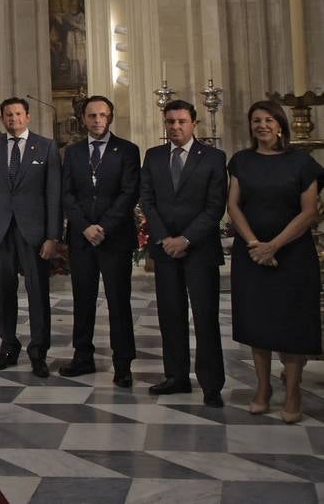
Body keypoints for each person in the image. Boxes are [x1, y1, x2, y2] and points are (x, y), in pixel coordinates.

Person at [226, 100, 322, 422]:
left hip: (293, 254)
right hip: (251, 253)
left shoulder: (302, 162)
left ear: (281, 125)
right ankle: (263, 387)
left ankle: (293, 392)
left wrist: (274, 246)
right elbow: (234, 206)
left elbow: (309, 212)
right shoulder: (241, 161)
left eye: (269, 120)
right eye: (256, 120)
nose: (262, 125)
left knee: (293, 323)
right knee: (257, 321)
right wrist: (255, 243)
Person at [140, 99, 227, 407]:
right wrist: (165, 238)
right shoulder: (154, 156)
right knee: (170, 315)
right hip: (166, 250)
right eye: (170, 122)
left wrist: (186, 239)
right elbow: (147, 200)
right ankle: (176, 376)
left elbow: (216, 206)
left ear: (194, 124)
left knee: (205, 318)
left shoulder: (214, 158)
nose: (175, 127)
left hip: (199, 249)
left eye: (181, 121)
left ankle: (211, 383)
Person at [0, 97, 61, 378]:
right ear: (2, 119)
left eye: (18, 114)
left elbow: (53, 195)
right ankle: (8, 347)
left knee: (38, 294)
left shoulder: (46, 147)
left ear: (28, 117)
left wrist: (52, 236)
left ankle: (38, 352)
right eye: (8, 115)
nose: (14, 119)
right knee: (4, 293)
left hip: (34, 232)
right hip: (0, 232)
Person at [59, 95, 140, 387]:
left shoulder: (128, 151)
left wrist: (103, 226)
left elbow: (129, 193)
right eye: (91, 115)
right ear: (84, 119)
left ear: (110, 117)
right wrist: (84, 227)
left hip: (115, 237)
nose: (96, 120)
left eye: (102, 115)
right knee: (83, 299)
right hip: (82, 239)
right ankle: (83, 356)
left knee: (119, 301)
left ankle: (123, 363)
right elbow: (67, 194)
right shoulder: (73, 151)